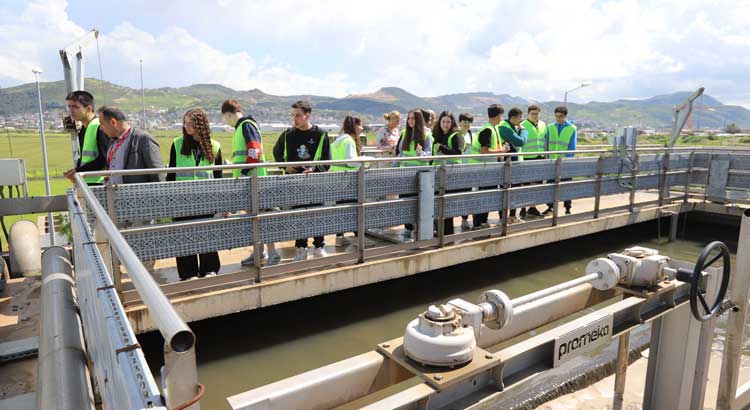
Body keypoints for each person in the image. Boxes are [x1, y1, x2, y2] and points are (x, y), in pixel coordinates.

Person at [221, 99, 281, 267]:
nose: (225, 121)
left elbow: (254, 150)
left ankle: (273, 253)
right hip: (248, 181)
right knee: (253, 219)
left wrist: (245, 171)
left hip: (254, 180)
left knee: (260, 218)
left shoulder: (246, 125)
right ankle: (259, 251)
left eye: (224, 118)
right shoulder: (243, 127)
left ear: (228, 115)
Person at [166, 109, 223, 280]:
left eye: (190, 123)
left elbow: (219, 179)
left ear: (201, 125)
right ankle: (188, 273)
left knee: (207, 234)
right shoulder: (177, 144)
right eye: (185, 123)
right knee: (184, 236)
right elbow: (170, 176)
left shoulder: (215, 146)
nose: (187, 126)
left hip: (206, 201)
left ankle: (209, 269)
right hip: (182, 200)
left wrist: (221, 204)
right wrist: (170, 201)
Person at [272, 100, 332, 261]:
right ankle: (301, 248)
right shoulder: (287, 134)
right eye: (292, 115)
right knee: (298, 216)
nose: (294, 119)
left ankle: (319, 247)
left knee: (317, 215)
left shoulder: (321, 134)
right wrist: (286, 167)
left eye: (298, 115)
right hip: (295, 183)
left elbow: (328, 161)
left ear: (307, 115)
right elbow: (276, 152)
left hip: (315, 183)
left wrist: (315, 170)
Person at [97, 105, 163, 185]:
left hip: (136, 192)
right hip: (114, 192)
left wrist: (157, 192)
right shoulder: (111, 143)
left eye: (102, 124)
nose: (100, 128)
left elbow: (157, 173)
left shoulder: (143, 139)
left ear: (113, 122)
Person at [469, 104, 508, 229]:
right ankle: (478, 223)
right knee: (483, 196)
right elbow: (484, 151)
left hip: (488, 168)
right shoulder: (488, 130)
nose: (502, 119)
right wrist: (502, 151)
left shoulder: (492, 128)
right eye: (501, 116)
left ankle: (482, 221)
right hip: (482, 169)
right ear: (497, 116)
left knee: (487, 196)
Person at [395, 109, 433, 237]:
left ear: (419, 120)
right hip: (404, 174)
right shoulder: (404, 133)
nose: (410, 121)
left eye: (413, 118)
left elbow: (429, 156)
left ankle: (419, 229)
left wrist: (421, 153)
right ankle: (408, 228)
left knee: (418, 204)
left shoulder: (426, 136)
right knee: (404, 202)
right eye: (409, 118)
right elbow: (399, 154)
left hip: (419, 176)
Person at [63, 91, 110, 185]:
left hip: (100, 184)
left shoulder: (99, 127)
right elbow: (84, 159)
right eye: (69, 107)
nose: (71, 111)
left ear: (89, 108)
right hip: (87, 183)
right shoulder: (83, 129)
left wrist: (78, 171)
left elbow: (104, 159)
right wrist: (76, 172)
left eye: (75, 107)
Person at [330, 115, 363, 246]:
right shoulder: (349, 140)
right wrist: (364, 161)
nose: (362, 128)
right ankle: (359, 239)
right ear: (355, 126)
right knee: (355, 209)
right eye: (360, 125)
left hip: (337, 179)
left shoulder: (338, 140)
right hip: (349, 180)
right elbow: (351, 161)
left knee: (341, 209)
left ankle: (339, 238)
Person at [431, 111, 464, 235]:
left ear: (452, 123)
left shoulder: (456, 136)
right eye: (443, 121)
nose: (445, 124)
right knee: (437, 204)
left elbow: (458, 153)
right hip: (437, 175)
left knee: (447, 205)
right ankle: (439, 230)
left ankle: (447, 233)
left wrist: (442, 148)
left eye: (448, 122)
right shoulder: (437, 136)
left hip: (451, 175)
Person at [545, 105, 578, 215]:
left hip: (565, 163)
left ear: (565, 116)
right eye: (556, 116)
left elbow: (572, 147)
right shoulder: (550, 127)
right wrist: (547, 158)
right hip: (552, 162)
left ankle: (567, 208)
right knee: (550, 185)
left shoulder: (572, 128)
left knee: (566, 186)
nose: (558, 118)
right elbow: (547, 144)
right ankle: (550, 207)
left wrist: (568, 161)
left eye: (561, 116)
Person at [499, 107, 528, 223]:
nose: (522, 120)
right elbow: (520, 141)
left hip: (515, 163)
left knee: (515, 189)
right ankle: (503, 217)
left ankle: (512, 215)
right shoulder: (505, 127)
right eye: (520, 117)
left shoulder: (512, 126)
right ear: (513, 118)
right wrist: (524, 131)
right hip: (507, 163)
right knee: (505, 190)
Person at [520, 105, 547, 219]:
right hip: (527, 157)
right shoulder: (522, 125)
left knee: (537, 184)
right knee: (525, 184)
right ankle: (522, 208)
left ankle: (532, 207)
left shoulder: (543, 124)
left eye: (537, 114)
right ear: (528, 114)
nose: (535, 116)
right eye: (533, 114)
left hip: (540, 157)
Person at [458, 112, 474, 230]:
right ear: (459, 122)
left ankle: (464, 219)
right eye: (464, 121)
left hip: (467, 170)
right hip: (456, 169)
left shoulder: (471, 134)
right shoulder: (456, 134)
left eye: (469, 122)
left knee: (467, 196)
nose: (467, 124)